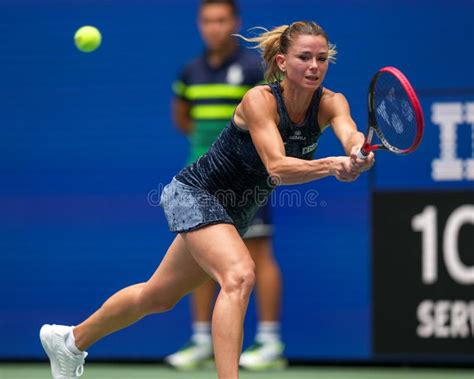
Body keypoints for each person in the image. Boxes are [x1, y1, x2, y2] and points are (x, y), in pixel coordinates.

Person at [39, 20, 374, 379]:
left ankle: (71, 340)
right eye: (304, 57)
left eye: (322, 59)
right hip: (196, 193)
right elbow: (277, 167)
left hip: (234, 212)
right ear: (281, 62)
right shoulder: (259, 100)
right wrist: (331, 165)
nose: (314, 66)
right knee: (240, 274)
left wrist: (356, 151)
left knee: (158, 296)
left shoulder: (331, 103)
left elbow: (349, 131)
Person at [166, 0, 285, 371]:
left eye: (221, 20)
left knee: (258, 254)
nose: (213, 27)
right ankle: (202, 339)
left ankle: (269, 342)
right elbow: (182, 118)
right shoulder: (190, 72)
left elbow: (270, 117)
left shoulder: (253, 69)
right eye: (207, 21)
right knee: (201, 259)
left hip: (246, 179)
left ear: (234, 23)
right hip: (200, 179)